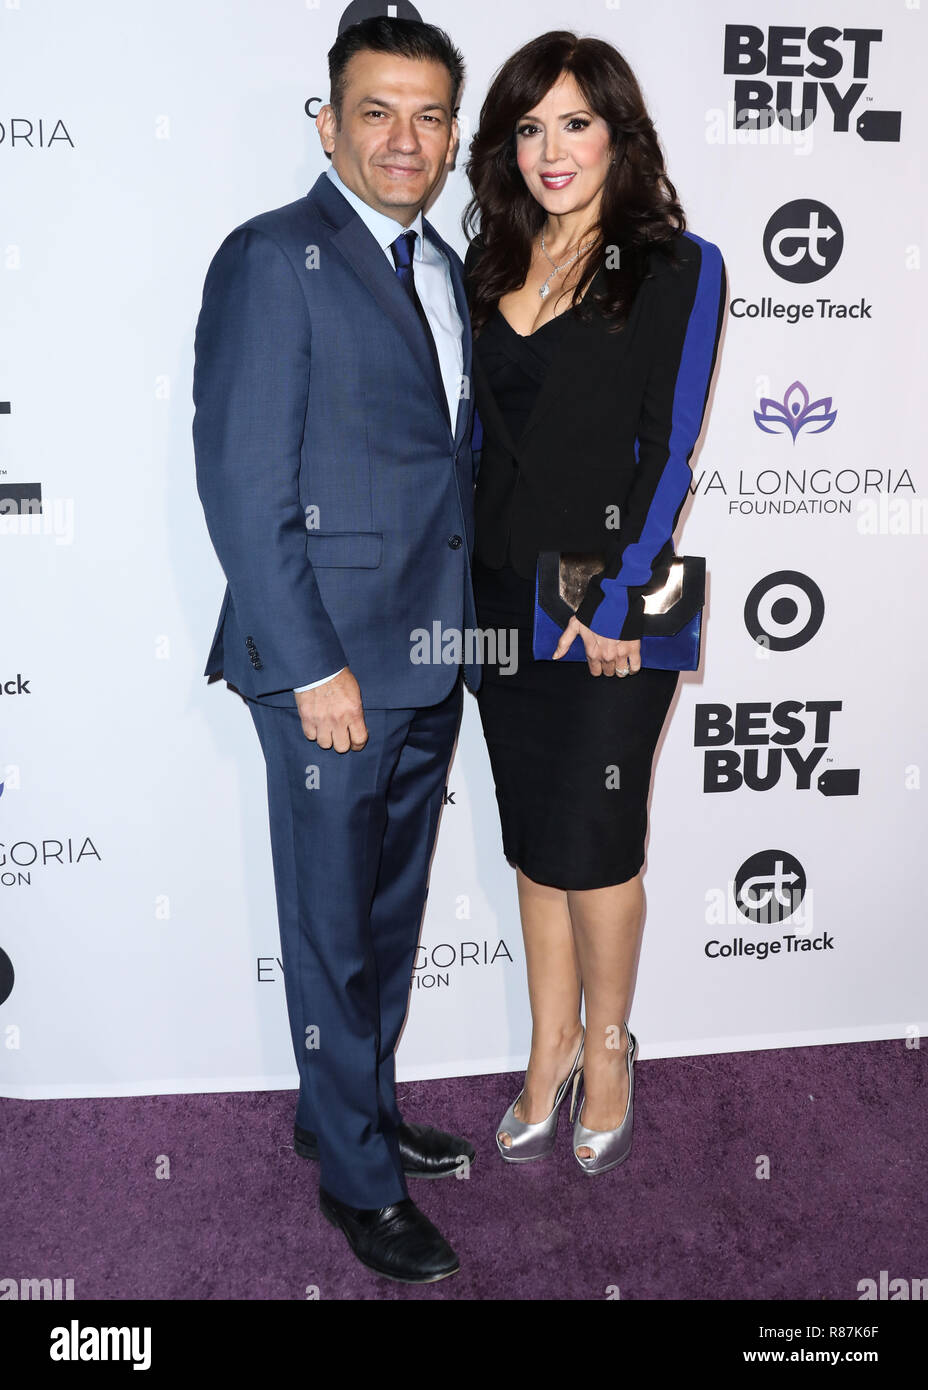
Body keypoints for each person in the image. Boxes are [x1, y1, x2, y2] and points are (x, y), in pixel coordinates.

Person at [193, 16, 480, 1284]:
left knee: (388, 912)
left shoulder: (446, 265)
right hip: (328, 670)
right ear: (327, 122)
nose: (404, 138)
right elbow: (242, 481)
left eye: (428, 115)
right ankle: (357, 1186)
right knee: (330, 926)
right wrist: (311, 667)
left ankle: (348, 1109)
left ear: (455, 135)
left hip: (430, 652)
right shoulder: (273, 257)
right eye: (376, 111)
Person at [462, 31, 726, 1174]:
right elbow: (478, 439)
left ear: (618, 132)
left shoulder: (673, 265)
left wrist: (617, 599)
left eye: (574, 122)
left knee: (597, 845)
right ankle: (548, 1044)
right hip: (493, 593)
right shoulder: (490, 257)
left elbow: (668, 451)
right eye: (528, 126)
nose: (550, 148)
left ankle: (609, 1045)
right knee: (533, 840)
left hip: (610, 603)